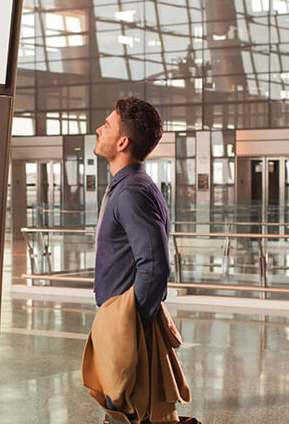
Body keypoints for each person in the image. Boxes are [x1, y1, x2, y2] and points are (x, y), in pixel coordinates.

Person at [83, 97, 191, 424]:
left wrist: (132, 320)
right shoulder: (128, 187)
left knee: (127, 411)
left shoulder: (132, 192)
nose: (99, 129)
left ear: (122, 141)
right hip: (121, 318)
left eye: (107, 125)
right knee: (125, 410)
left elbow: (155, 265)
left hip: (127, 322)